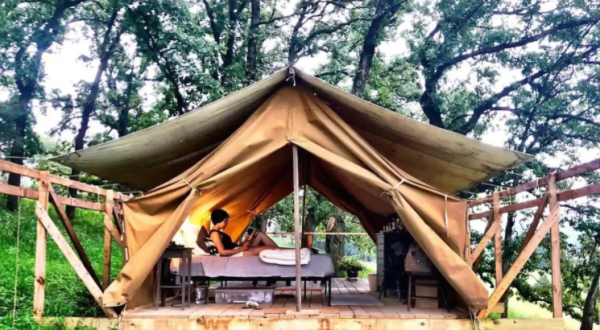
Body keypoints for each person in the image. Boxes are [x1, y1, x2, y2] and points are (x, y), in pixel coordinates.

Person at [208, 209, 281, 257]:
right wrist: (241, 249)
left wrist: (243, 243)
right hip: (236, 253)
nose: (227, 223)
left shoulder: (218, 232)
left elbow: (229, 245)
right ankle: (286, 251)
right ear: (221, 220)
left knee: (260, 234)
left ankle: (286, 251)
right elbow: (222, 252)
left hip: (238, 249)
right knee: (268, 248)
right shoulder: (214, 234)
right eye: (226, 221)